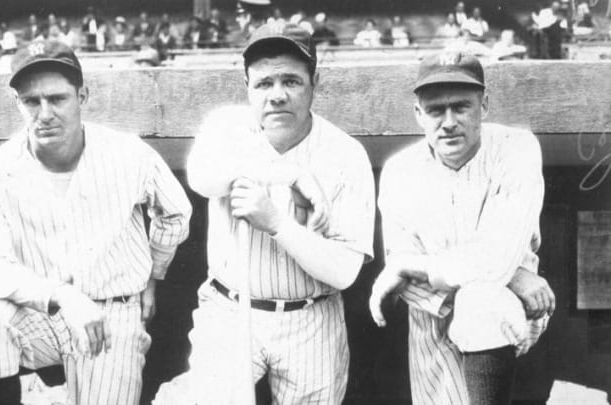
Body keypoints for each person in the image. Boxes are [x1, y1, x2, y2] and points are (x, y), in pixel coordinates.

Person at [0, 40, 192, 405]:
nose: (45, 112)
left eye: (57, 98)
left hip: (114, 311)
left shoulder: (127, 153)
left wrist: (153, 274)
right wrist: (62, 296)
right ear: (16, 103)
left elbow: (175, 212)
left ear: (82, 95)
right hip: (42, 313)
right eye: (31, 101)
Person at [155, 22, 375, 404]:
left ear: (315, 82)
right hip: (230, 309)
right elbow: (202, 178)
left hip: (312, 318)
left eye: (291, 81)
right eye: (263, 83)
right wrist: (287, 173)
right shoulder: (226, 126)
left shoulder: (345, 153)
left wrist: (277, 224)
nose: (277, 95)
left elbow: (344, 271)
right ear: (247, 87)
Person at [368, 51, 555, 405]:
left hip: (510, 313)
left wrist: (417, 266)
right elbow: (407, 281)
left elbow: (496, 260)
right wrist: (511, 273)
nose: (449, 121)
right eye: (436, 110)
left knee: (482, 303)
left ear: (484, 105)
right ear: (418, 114)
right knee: (475, 300)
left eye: (461, 107)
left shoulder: (516, 148)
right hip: (432, 319)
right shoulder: (399, 171)